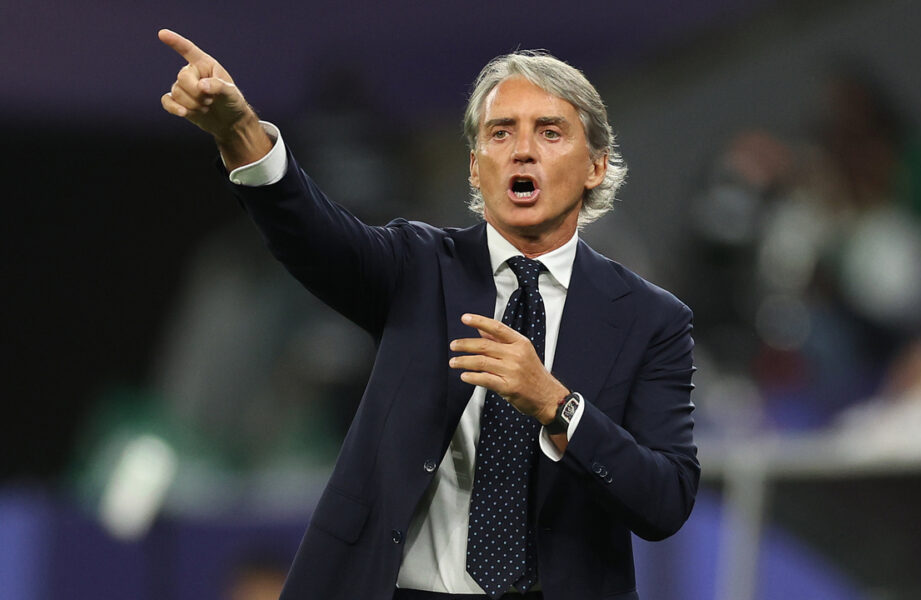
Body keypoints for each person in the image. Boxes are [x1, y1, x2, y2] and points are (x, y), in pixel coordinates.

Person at [158, 29, 698, 600]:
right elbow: (312, 236)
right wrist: (241, 133)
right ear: (474, 167)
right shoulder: (417, 268)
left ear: (595, 167)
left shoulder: (650, 319)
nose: (522, 150)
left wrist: (555, 405)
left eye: (549, 132)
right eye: (501, 132)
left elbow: (665, 501)